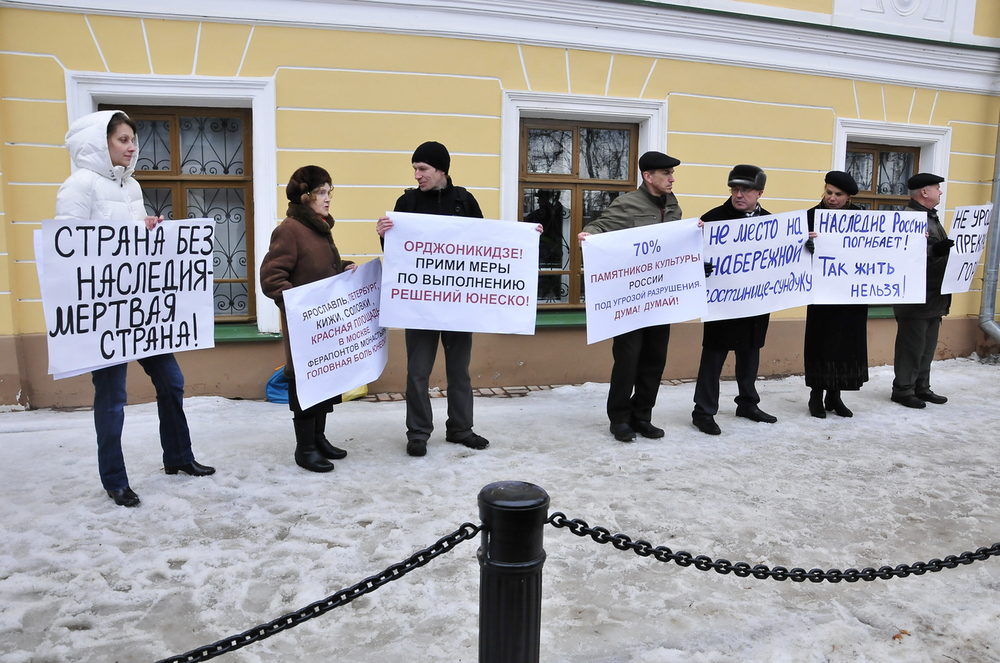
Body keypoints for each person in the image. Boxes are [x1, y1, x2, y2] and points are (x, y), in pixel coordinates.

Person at [55, 110, 215, 508]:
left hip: (141, 314)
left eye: (132, 140)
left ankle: (178, 457)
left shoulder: (132, 186)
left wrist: (149, 227)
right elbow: (71, 248)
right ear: (100, 143)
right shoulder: (77, 186)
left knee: (172, 380)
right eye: (123, 140)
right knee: (112, 398)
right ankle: (114, 479)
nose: (131, 148)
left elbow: (133, 247)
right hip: (106, 317)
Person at [375, 141, 489, 457]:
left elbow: (487, 248)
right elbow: (398, 256)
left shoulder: (465, 202)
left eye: (422, 168)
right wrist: (384, 235)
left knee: (459, 371)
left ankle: (461, 429)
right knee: (418, 371)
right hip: (419, 306)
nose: (417, 175)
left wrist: (522, 241)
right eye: (414, 168)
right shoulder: (407, 202)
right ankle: (418, 433)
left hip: (457, 304)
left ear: (441, 170)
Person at [577, 151, 684, 442]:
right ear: (648, 177)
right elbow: (599, 226)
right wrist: (587, 234)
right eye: (666, 173)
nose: (672, 178)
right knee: (628, 360)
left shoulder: (673, 206)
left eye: (672, 173)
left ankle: (642, 416)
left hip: (660, 299)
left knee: (654, 360)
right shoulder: (627, 204)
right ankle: (620, 419)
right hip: (631, 300)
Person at [260, 166, 356, 472]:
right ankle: (305, 448)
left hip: (325, 325)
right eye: (322, 192)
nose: (328, 199)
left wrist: (345, 268)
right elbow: (271, 278)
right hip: (305, 327)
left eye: (330, 192)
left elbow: (321, 267)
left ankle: (318, 438)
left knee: (325, 381)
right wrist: (299, 306)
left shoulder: (320, 227)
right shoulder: (289, 229)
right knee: (304, 382)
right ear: (306, 196)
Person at [692, 164, 776, 435]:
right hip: (722, 301)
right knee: (714, 355)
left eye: (746, 190)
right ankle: (703, 411)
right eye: (734, 189)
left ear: (759, 193)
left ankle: (748, 403)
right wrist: (699, 265)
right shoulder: (712, 219)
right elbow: (690, 255)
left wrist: (804, 246)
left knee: (750, 352)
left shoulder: (773, 224)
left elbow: (783, 260)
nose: (739, 194)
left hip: (755, 301)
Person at [803, 171, 868, 418]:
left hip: (850, 294)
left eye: (838, 194)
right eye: (828, 192)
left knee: (845, 345)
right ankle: (815, 396)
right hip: (821, 295)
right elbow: (792, 249)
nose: (832, 198)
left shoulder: (860, 218)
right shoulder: (810, 217)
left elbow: (879, 248)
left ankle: (835, 395)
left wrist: (915, 239)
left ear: (848, 197)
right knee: (821, 344)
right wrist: (805, 246)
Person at [890, 172, 953, 409]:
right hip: (915, 296)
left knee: (926, 346)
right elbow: (906, 257)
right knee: (911, 346)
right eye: (937, 187)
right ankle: (903, 389)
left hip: (934, 295)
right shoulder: (910, 219)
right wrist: (935, 252)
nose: (940, 191)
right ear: (924, 192)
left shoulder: (930, 218)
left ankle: (921, 387)